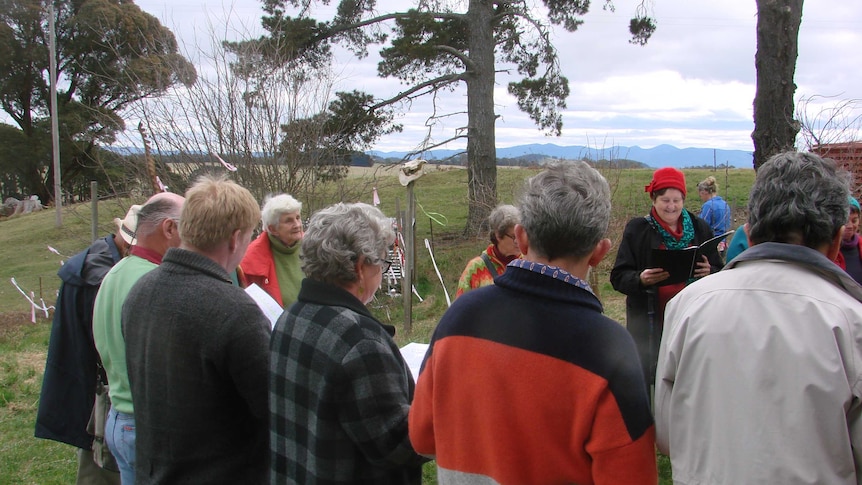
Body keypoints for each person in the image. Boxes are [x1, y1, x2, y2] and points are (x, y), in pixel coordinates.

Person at [410, 161, 657, 484]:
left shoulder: (460, 316)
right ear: (599, 252)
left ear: (522, 238)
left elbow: (422, 437)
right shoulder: (609, 349)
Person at [655, 151, 862, 484]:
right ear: (837, 239)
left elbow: (666, 434)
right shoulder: (851, 322)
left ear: (748, 234)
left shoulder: (687, 305)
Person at [123, 176, 270, 483]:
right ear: (235, 238)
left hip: (153, 471)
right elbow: (272, 406)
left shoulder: (140, 289)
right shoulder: (234, 309)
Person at [270, 202, 428, 483]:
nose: (381, 274)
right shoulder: (360, 341)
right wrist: (447, 404)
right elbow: (400, 445)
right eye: (382, 262)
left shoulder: (290, 317)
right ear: (360, 267)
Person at [35, 205, 139, 485]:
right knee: (101, 466)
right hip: (98, 386)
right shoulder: (100, 274)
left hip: (93, 382)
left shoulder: (98, 257)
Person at [93, 192, 185, 485]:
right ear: (169, 229)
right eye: (190, 226)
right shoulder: (154, 283)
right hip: (146, 423)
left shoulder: (115, 272)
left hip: (119, 416)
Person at [610, 167, 722, 388]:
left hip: (694, 321)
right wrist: (641, 279)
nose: (671, 206)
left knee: (690, 380)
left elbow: (720, 270)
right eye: (665, 200)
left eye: (676, 200)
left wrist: (710, 271)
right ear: (653, 199)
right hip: (651, 325)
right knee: (654, 383)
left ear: (683, 199)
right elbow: (618, 276)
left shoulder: (700, 228)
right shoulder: (638, 229)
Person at [240, 193, 304, 307]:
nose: (297, 224)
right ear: (272, 229)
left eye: (298, 217)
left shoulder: (314, 247)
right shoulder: (250, 259)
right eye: (289, 221)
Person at [454, 204, 520, 298]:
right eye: (514, 237)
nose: (518, 241)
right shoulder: (476, 268)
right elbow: (460, 308)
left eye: (520, 235)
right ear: (498, 236)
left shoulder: (528, 264)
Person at [836, 196, 862, 284]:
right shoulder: (828, 249)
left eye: (854, 221)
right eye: (846, 221)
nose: (850, 226)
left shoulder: (861, 245)